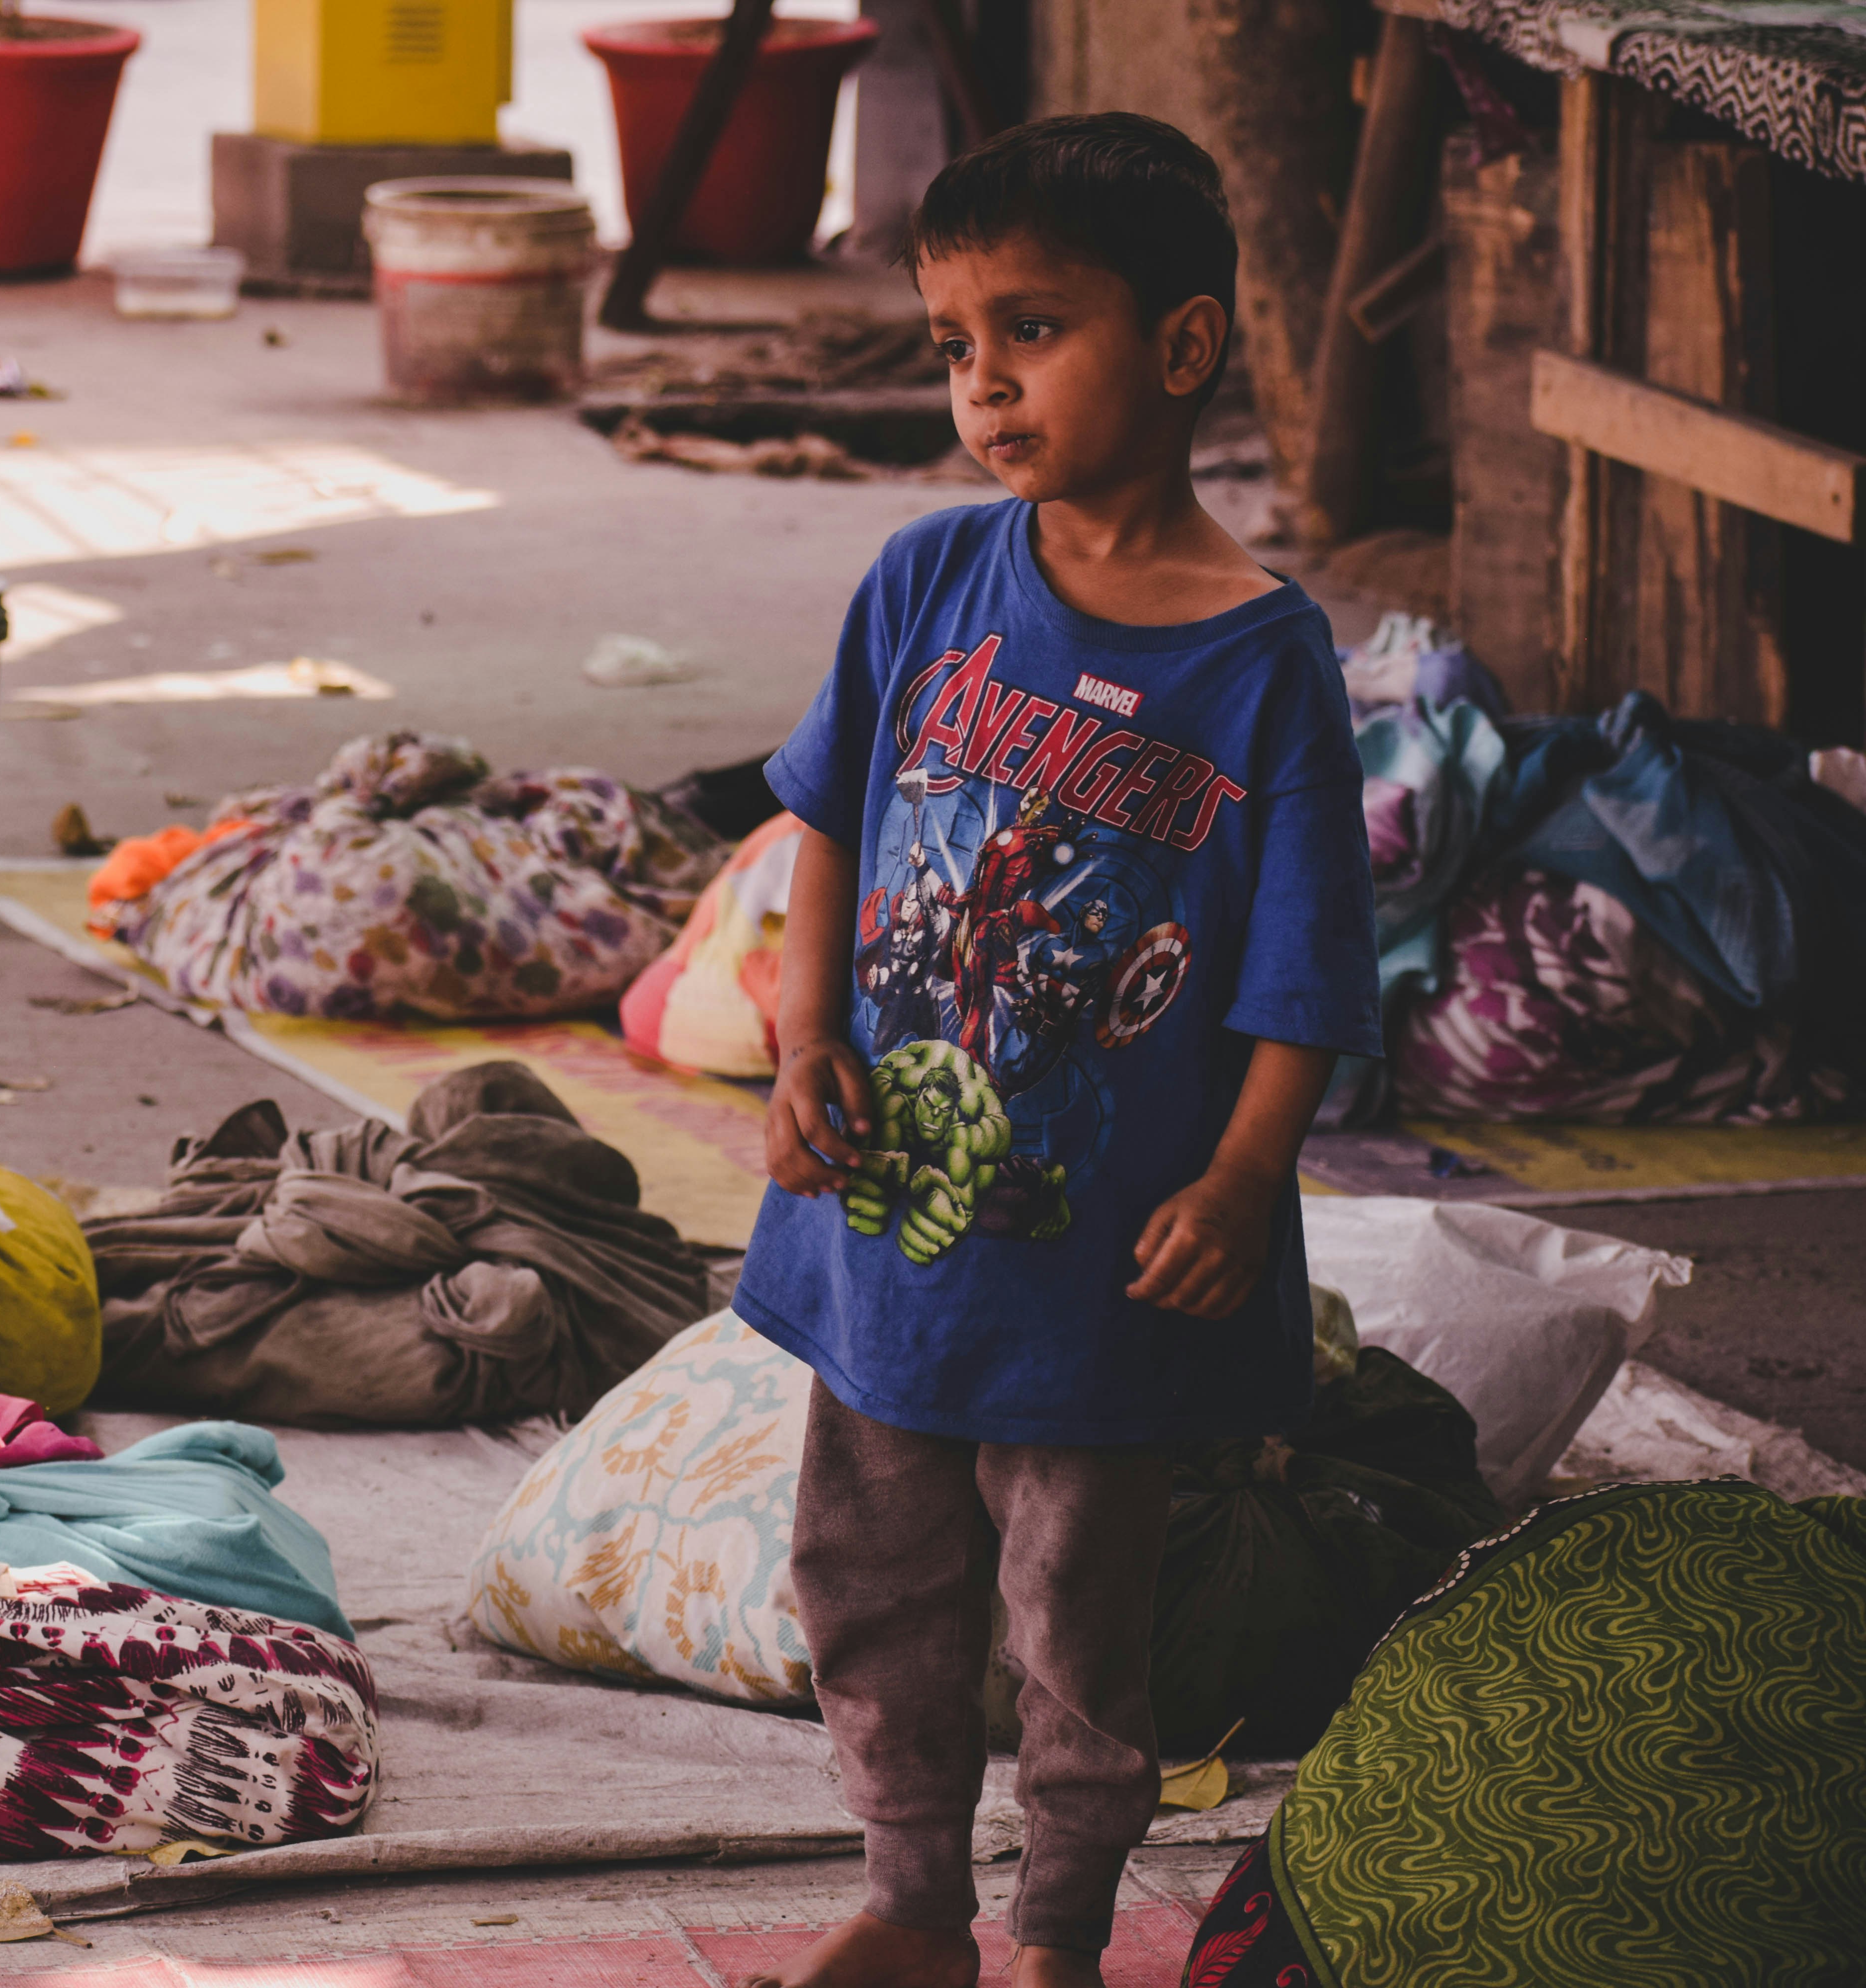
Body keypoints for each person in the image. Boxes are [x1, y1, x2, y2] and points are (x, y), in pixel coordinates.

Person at [737, 114, 1383, 1988]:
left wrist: (1249, 1178)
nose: (983, 382)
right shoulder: (928, 580)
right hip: (889, 1232)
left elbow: (1303, 969)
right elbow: (830, 823)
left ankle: (1060, 1933)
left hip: (1100, 1274)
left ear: (1182, 348)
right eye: (953, 342)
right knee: (866, 1580)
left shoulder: (1267, 663)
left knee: (1077, 1627)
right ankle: (914, 1896)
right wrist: (802, 1043)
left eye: (1032, 329)